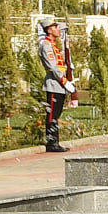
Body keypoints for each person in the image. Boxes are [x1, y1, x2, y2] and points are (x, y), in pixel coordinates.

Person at [36, 12, 74, 153]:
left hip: (59, 84)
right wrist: (64, 81)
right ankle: (52, 143)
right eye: (55, 27)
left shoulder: (53, 44)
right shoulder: (46, 45)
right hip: (54, 83)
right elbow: (53, 67)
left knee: (56, 114)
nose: (58, 29)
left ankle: (55, 141)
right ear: (49, 30)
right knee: (52, 115)